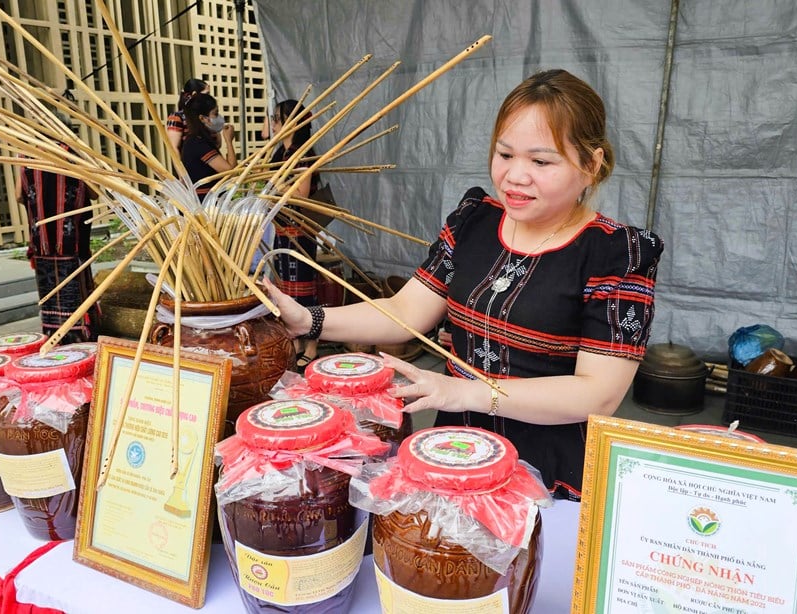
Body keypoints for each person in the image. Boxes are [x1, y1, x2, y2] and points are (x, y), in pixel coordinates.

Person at [263, 69, 665, 500]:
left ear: (591, 165)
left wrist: (464, 392)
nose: (515, 175)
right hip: (452, 451)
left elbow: (597, 394)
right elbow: (405, 312)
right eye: (505, 154)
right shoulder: (474, 220)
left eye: (541, 161)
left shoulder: (616, 254)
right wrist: (308, 319)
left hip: (547, 469)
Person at [16, 132, 100, 344]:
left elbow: (19, 195)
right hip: (72, 240)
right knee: (78, 286)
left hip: (43, 241)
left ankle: (54, 336)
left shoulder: (26, 154)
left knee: (50, 293)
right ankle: (80, 336)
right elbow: (94, 192)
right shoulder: (73, 154)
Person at [269, 99, 322, 370]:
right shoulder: (280, 152)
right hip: (282, 228)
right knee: (286, 290)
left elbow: (302, 195)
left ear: (291, 123)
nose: (273, 124)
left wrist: (276, 185)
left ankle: (312, 345)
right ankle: (297, 342)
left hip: (300, 230)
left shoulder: (302, 154)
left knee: (304, 290)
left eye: (277, 119)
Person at [181, 93, 236, 200]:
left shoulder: (197, 140)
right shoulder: (197, 143)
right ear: (202, 118)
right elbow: (230, 172)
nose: (219, 117)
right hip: (206, 202)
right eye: (215, 114)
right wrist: (229, 141)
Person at [165, 78, 209, 175]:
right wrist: (183, 175)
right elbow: (174, 148)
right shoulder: (177, 117)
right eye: (206, 94)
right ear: (194, 94)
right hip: (190, 169)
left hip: (209, 165)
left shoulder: (203, 117)